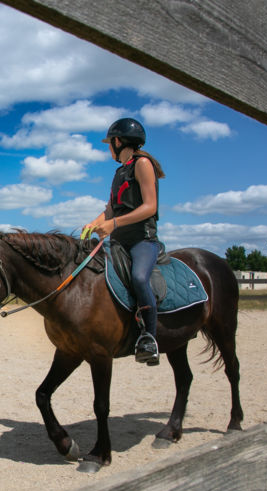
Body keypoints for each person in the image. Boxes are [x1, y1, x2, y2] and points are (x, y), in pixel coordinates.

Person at [84, 118, 165, 366]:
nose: (109, 148)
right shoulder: (120, 171)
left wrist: (114, 224)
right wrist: (93, 224)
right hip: (118, 241)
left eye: (110, 143)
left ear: (118, 142)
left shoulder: (142, 164)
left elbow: (150, 207)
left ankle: (149, 338)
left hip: (142, 240)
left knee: (140, 278)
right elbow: (110, 209)